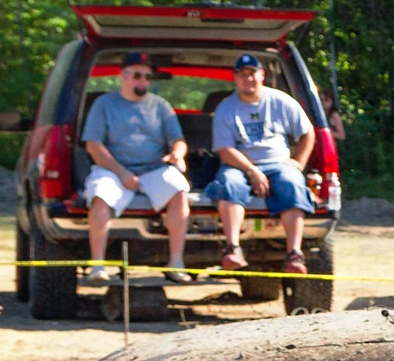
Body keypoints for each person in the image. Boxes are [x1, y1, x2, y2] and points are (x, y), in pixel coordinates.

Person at [81, 52, 193, 285]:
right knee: (100, 196)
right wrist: (122, 173)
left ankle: (176, 262)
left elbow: (178, 139)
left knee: (179, 189)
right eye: (137, 75)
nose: (142, 81)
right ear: (123, 76)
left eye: (147, 76)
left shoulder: (161, 106)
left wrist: (178, 154)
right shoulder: (104, 104)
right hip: (112, 169)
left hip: (154, 168)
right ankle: (97, 266)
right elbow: (93, 145)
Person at [205, 53, 316, 274]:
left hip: (278, 164)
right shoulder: (226, 108)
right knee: (228, 184)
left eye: (252, 73)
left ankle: (294, 254)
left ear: (262, 75)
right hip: (239, 165)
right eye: (242, 75)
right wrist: (252, 170)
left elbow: (307, 133)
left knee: (293, 183)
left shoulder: (281, 101)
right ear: (235, 78)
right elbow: (224, 150)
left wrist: (300, 162)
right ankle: (233, 248)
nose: (248, 79)